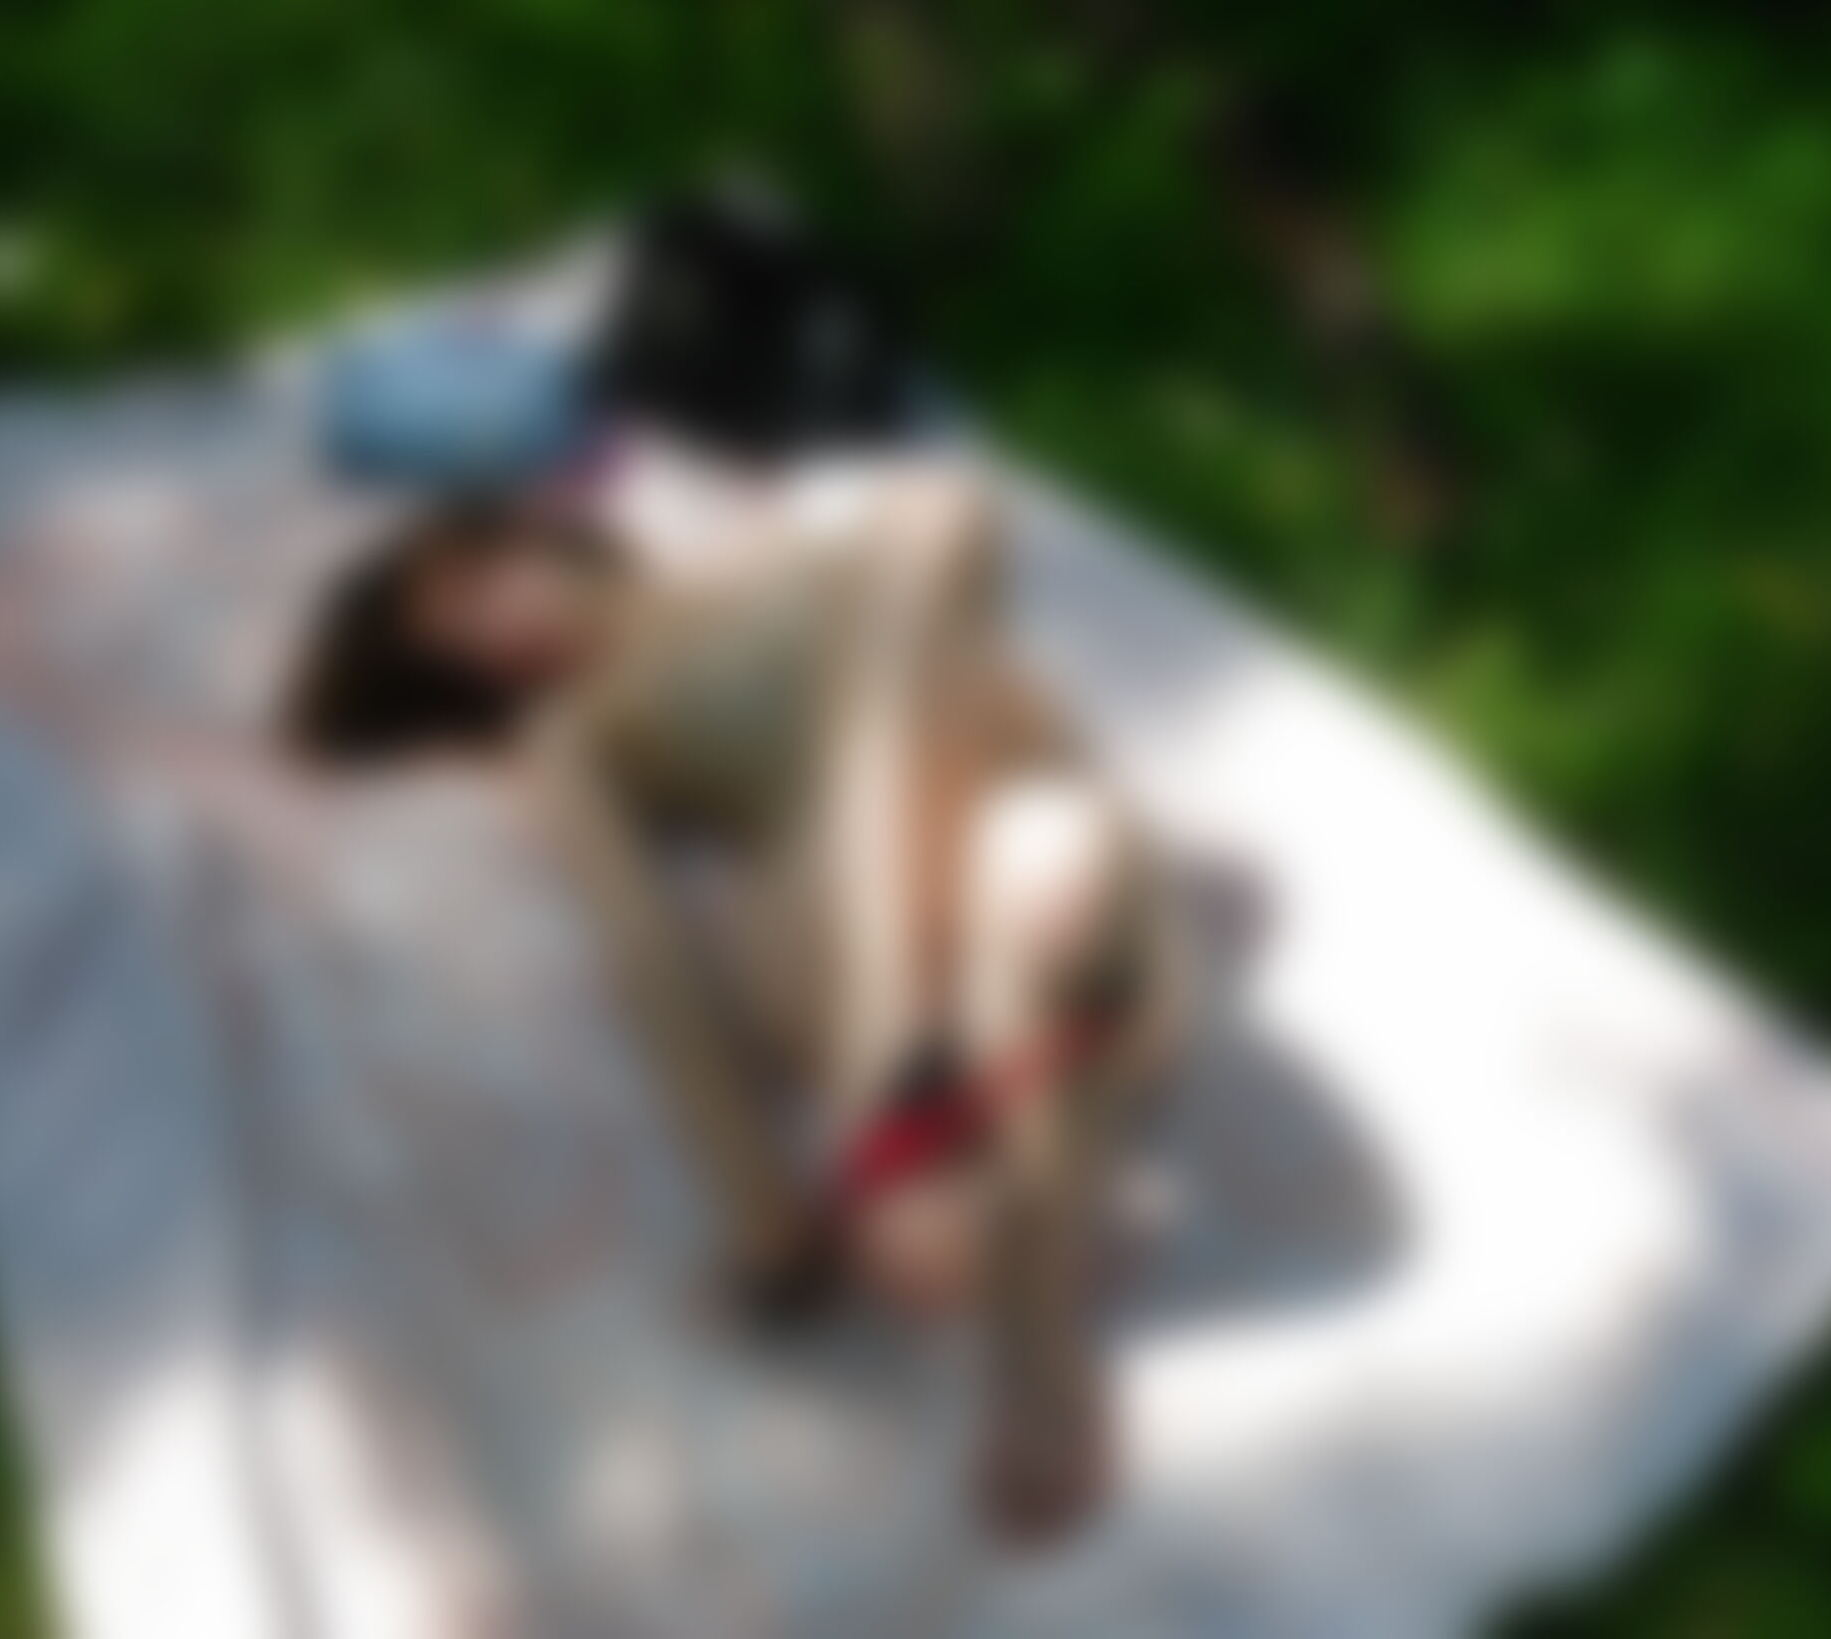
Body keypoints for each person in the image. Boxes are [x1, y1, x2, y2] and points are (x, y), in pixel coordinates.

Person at [285, 454, 1191, 1543]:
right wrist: (762, 1216)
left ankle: (903, 1073)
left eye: (472, 594)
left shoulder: (767, 555)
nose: (494, 639)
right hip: (824, 924)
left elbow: (1009, 682)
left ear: (522, 539)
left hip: (1023, 892)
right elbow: (644, 951)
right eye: (462, 659)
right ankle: (1031, 1332)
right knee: (1040, 838)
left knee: (948, 545)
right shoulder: (568, 733)